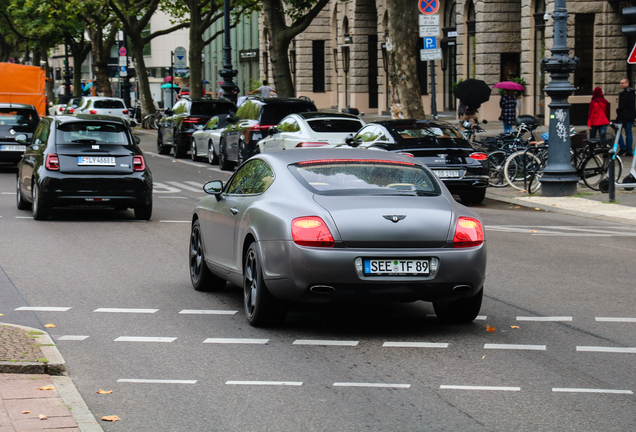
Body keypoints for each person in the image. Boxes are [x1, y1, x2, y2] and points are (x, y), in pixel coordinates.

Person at [616, 77, 635, 156]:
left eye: (623, 83)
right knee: (629, 133)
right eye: (620, 83)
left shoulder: (625, 93)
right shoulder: (632, 92)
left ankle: (623, 147)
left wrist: (618, 110)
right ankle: (629, 150)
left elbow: (623, 105)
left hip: (623, 116)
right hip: (630, 116)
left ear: (627, 83)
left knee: (617, 130)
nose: (621, 84)